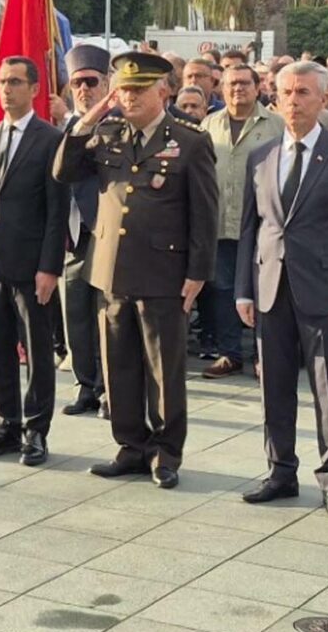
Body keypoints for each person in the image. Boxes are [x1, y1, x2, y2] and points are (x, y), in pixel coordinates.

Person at [54, 50, 218, 489]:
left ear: (163, 91)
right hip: (111, 270)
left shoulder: (189, 139)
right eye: (123, 89)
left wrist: (198, 272)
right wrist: (87, 119)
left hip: (164, 272)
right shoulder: (106, 133)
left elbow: (204, 213)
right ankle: (130, 445)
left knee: (164, 369)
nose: (128, 97)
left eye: (138, 89)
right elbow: (64, 170)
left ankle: (165, 452)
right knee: (119, 364)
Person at [235, 61, 328, 514]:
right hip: (271, 286)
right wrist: (243, 289)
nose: (292, 102)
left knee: (327, 388)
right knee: (273, 384)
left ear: (322, 98)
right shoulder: (262, 156)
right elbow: (251, 230)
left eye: (302, 94)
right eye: (286, 93)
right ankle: (280, 470)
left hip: (324, 291)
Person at [0, 57, 67, 466]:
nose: (7, 89)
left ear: (35, 89)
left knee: (38, 353)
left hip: (31, 265)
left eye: (17, 82)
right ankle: (6, 422)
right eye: (3, 82)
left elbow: (57, 212)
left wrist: (49, 267)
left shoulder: (49, 139)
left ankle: (35, 430)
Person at [204, 62, 285, 379]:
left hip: (263, 224)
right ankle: (229, 354)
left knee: (263, 290)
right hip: (220, 222)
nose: (237, 89)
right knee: (223, 290)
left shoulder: (276, 125)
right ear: (221, 89)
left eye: (244, 84)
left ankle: (264, 355)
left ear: (258, 88)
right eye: (231, 84)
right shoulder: (208, 125)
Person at [56, 46, 112, 411]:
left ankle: (110, 387)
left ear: (106, 83)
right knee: (73, 311)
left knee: (106, 315)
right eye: (76, 83)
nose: (83, 89)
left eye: (91, 81)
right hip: (70, 233)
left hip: (104, 231)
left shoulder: (116, 124)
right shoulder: (61, 126)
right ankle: (85, 383)